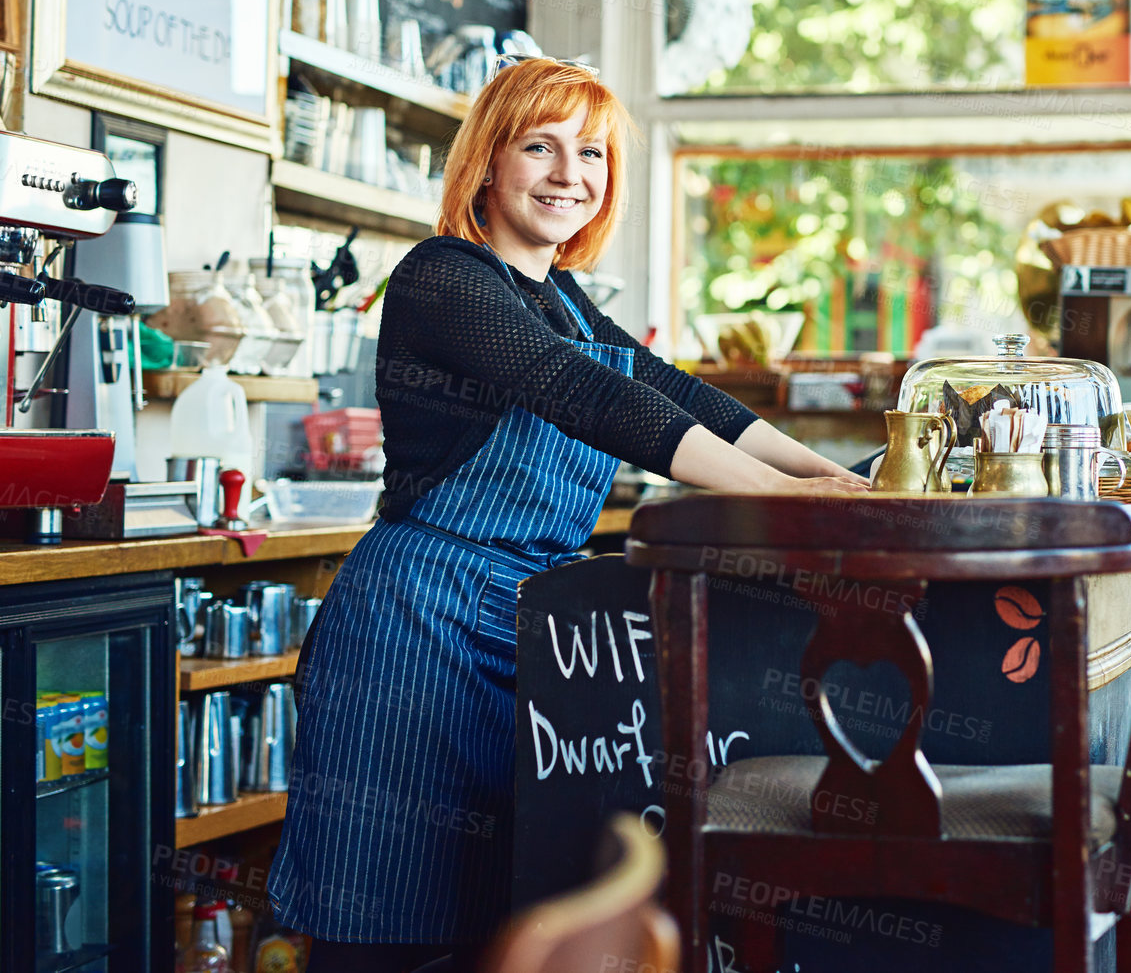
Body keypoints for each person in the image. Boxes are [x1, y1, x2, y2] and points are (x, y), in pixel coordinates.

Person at [267, 58, 869, 972]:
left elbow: (673, 391)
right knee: (382, 921)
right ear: (487, 162)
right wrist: (787, 499)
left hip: (526, 626)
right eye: (539, 147)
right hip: (413, 628)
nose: (567, 174)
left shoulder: (562, 297)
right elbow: (581, 393)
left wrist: (837, 481)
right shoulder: (441, 276)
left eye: (590, 153)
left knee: (503, 917)